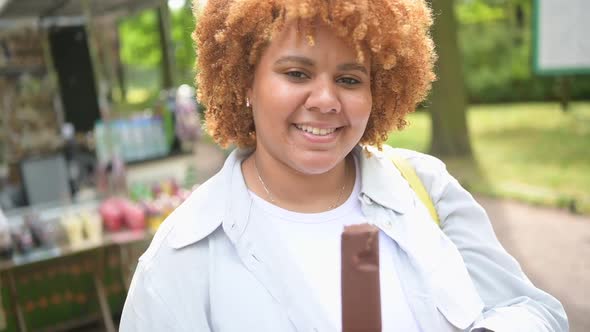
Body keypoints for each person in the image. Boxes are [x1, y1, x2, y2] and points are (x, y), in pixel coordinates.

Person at [120, 0, 568, 331]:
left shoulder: (425, 188)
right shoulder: (179, 258)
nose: (326, 100)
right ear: (245, 83)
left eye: (350, 80)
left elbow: (536, 312)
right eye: (296, 73)